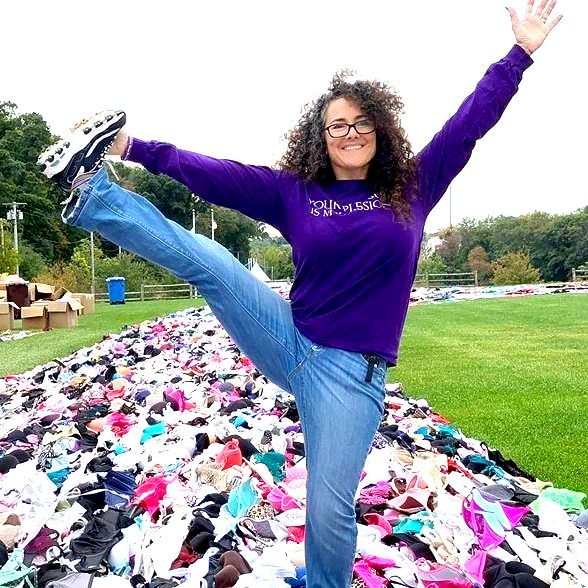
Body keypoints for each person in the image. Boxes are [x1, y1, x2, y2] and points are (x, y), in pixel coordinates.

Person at [38, 1, 561, 585]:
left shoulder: (413, 186)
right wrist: (132, 146)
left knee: (329, 509)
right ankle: (93, 196)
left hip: (348, 375)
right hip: (290, 337)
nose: (351, 133)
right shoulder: (296, 193)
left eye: (362, 123)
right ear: (321, 137)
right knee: (212, 263)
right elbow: (214, 172)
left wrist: (520, 54)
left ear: (380, 130)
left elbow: (470, 121)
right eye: (337, 125)